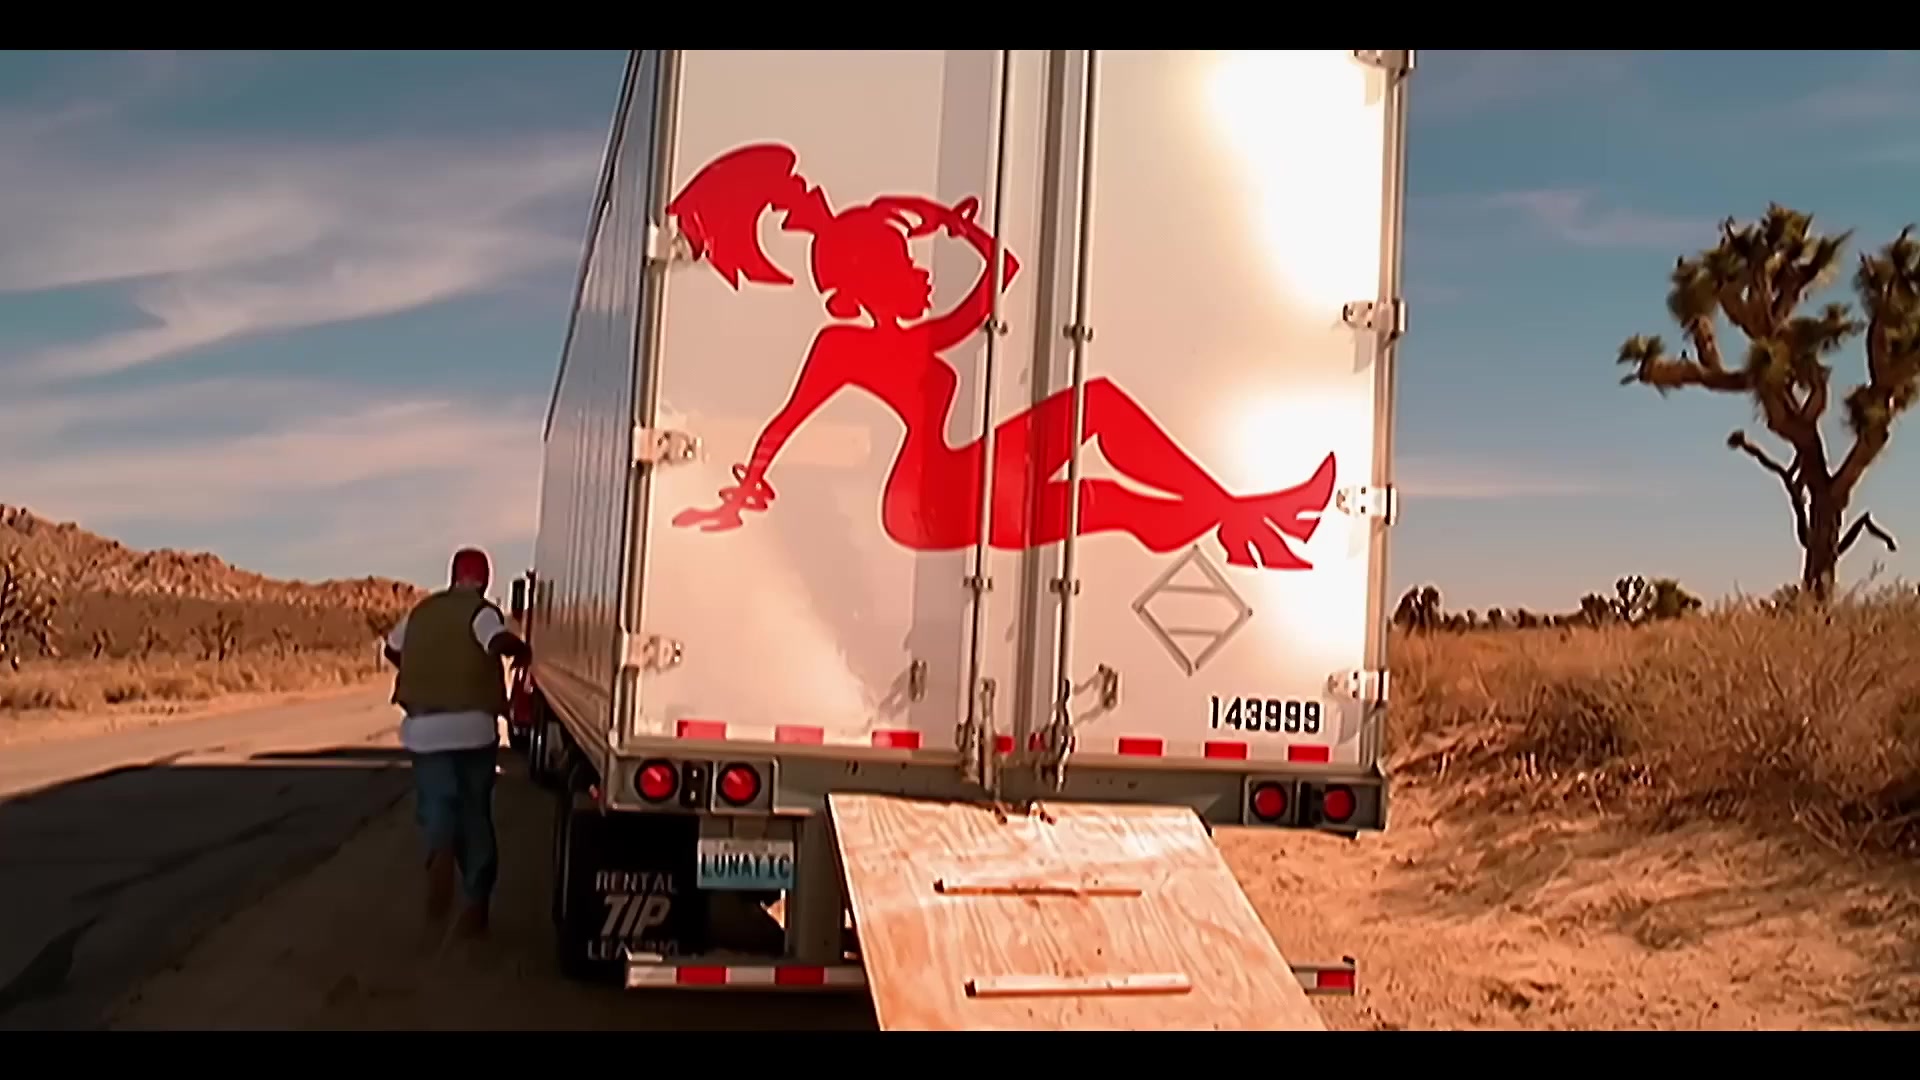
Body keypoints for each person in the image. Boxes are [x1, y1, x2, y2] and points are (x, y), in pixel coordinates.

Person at [383, 546, 530, 941]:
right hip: (474, 727)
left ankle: (440, 844)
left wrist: (422, 670)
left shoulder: (420, 612)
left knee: (436, 799)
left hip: (424, 729)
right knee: (475, 810)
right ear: (484, 581)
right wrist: (523, 651)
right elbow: (495, 642)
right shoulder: (480, 612)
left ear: (452, 576)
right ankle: (476, 899)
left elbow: (391, 648)